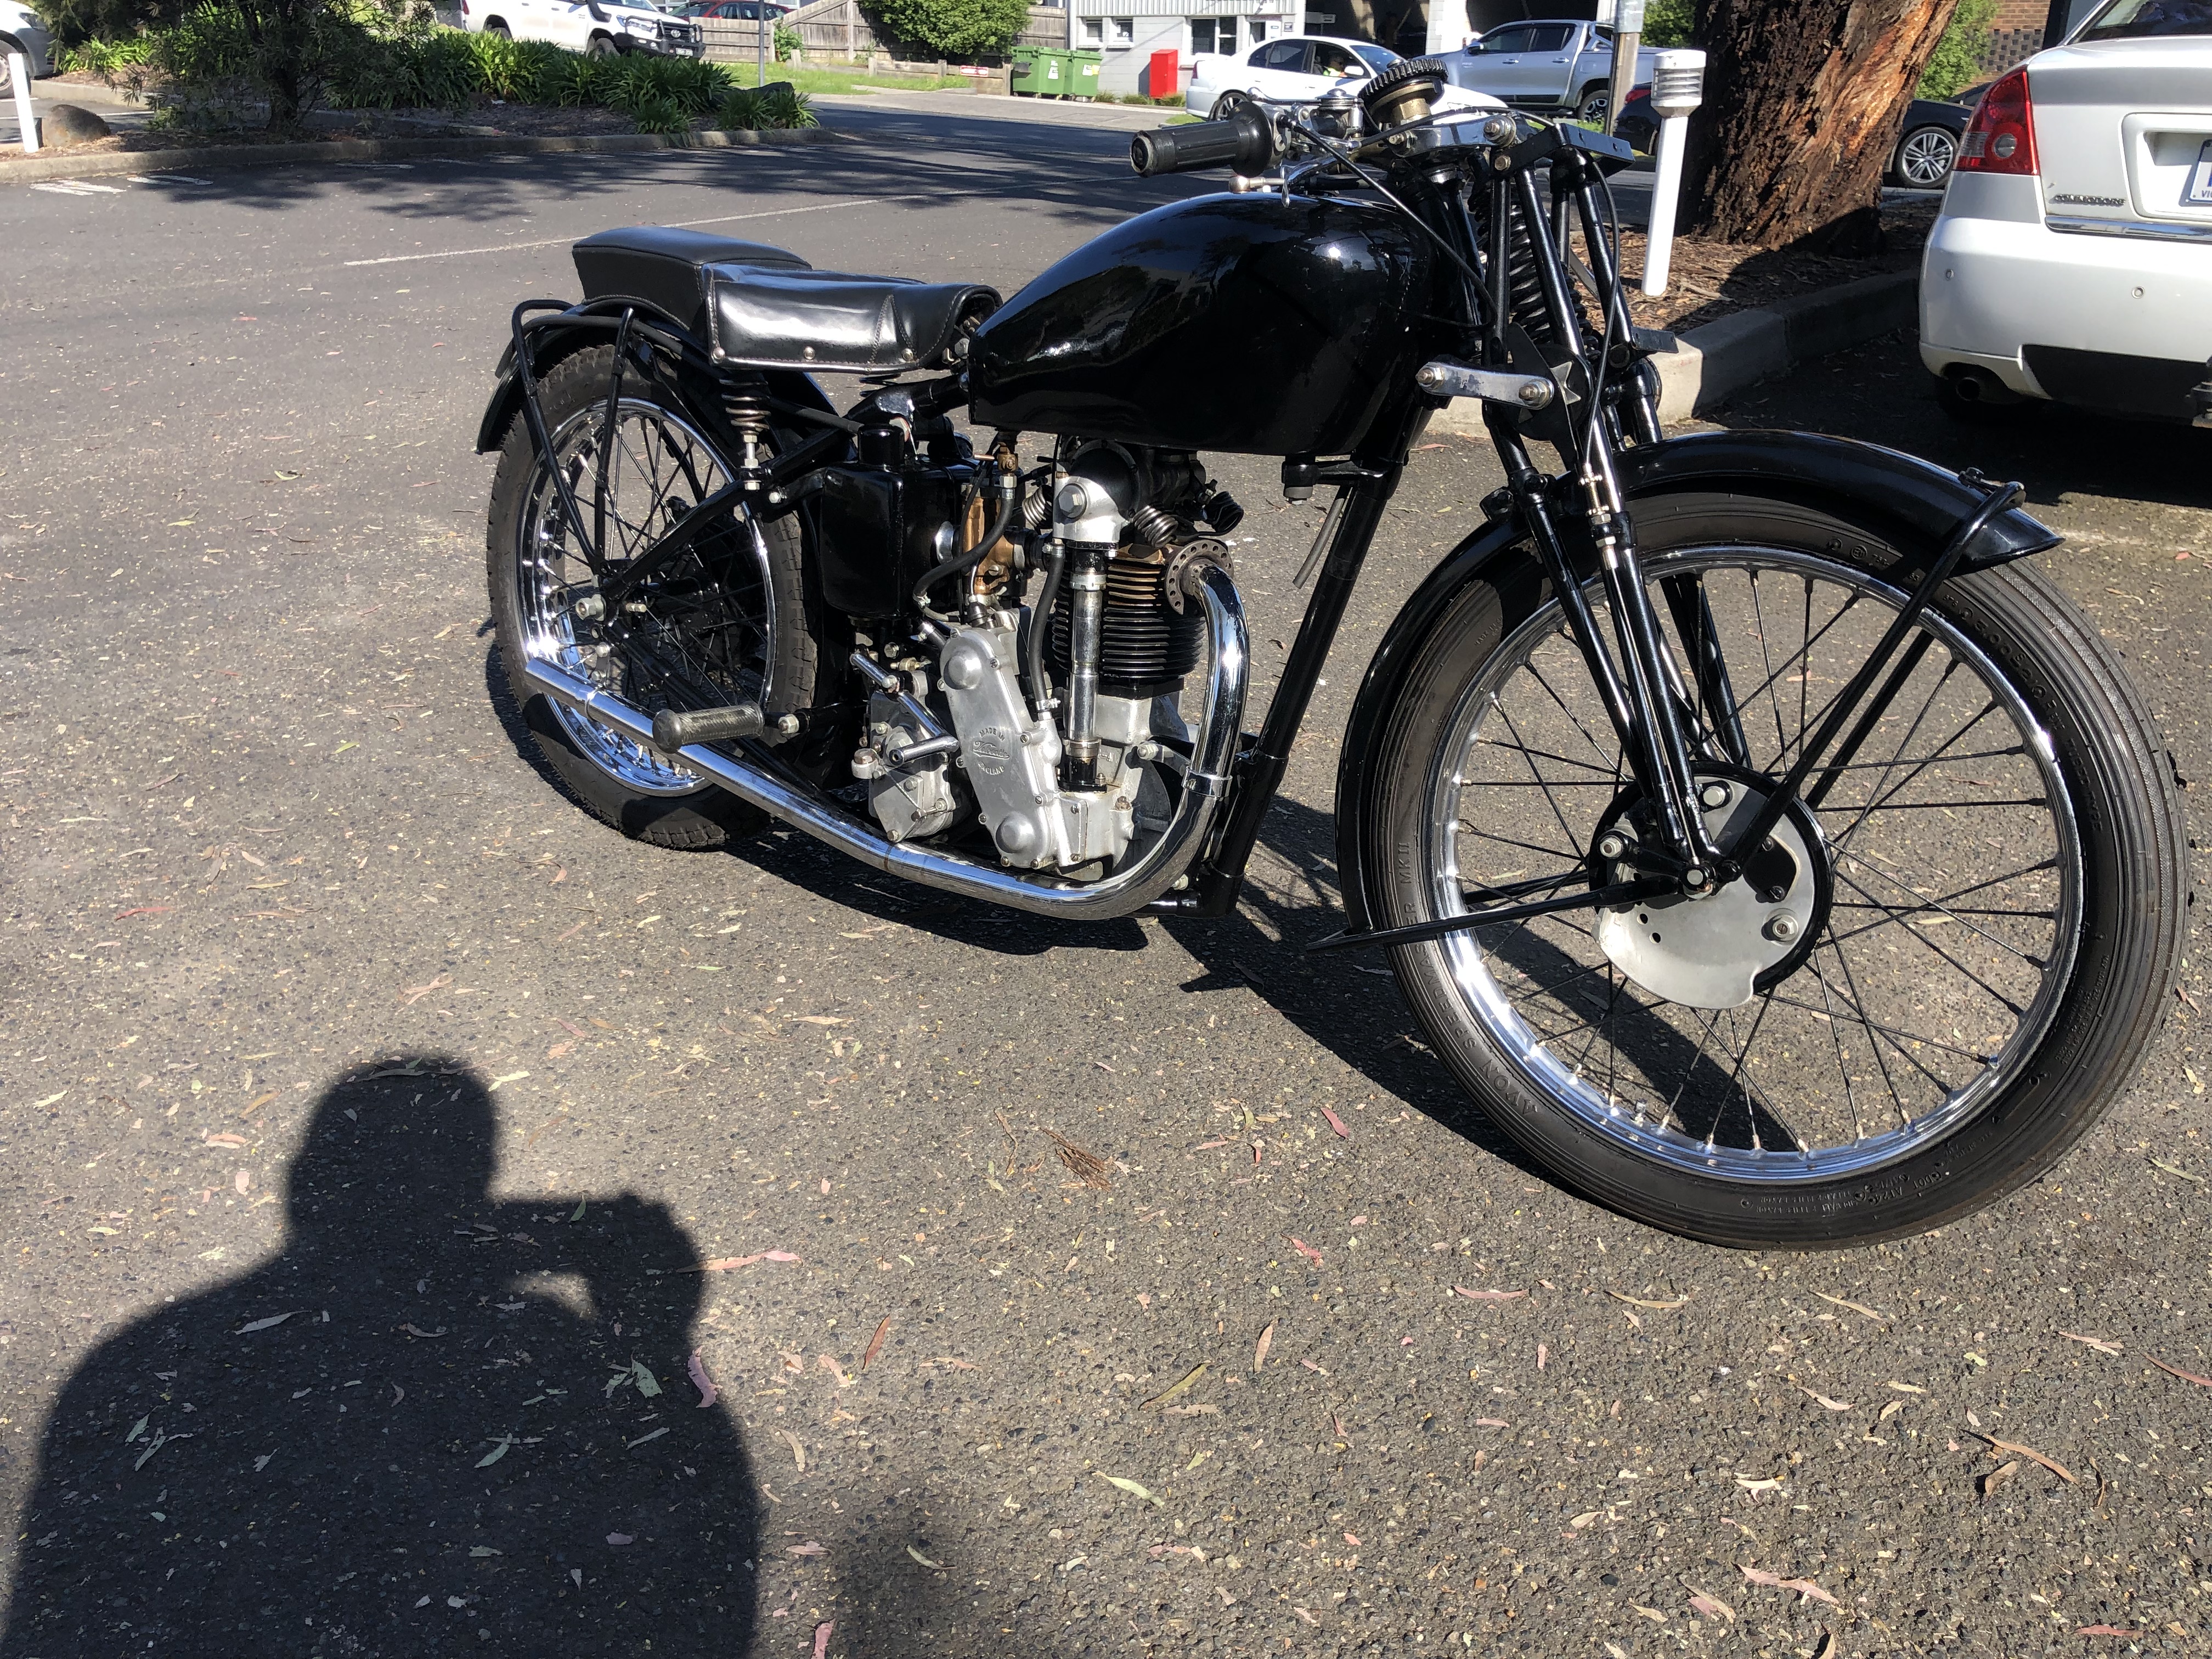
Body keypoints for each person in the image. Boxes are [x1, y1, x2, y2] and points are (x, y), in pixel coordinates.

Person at [1, 1063, 759, 1657]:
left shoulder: (139, 1359)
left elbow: (64, 1604)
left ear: (305, 1181)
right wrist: (651, 1332)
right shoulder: (551, 1343)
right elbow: (693, 1559)